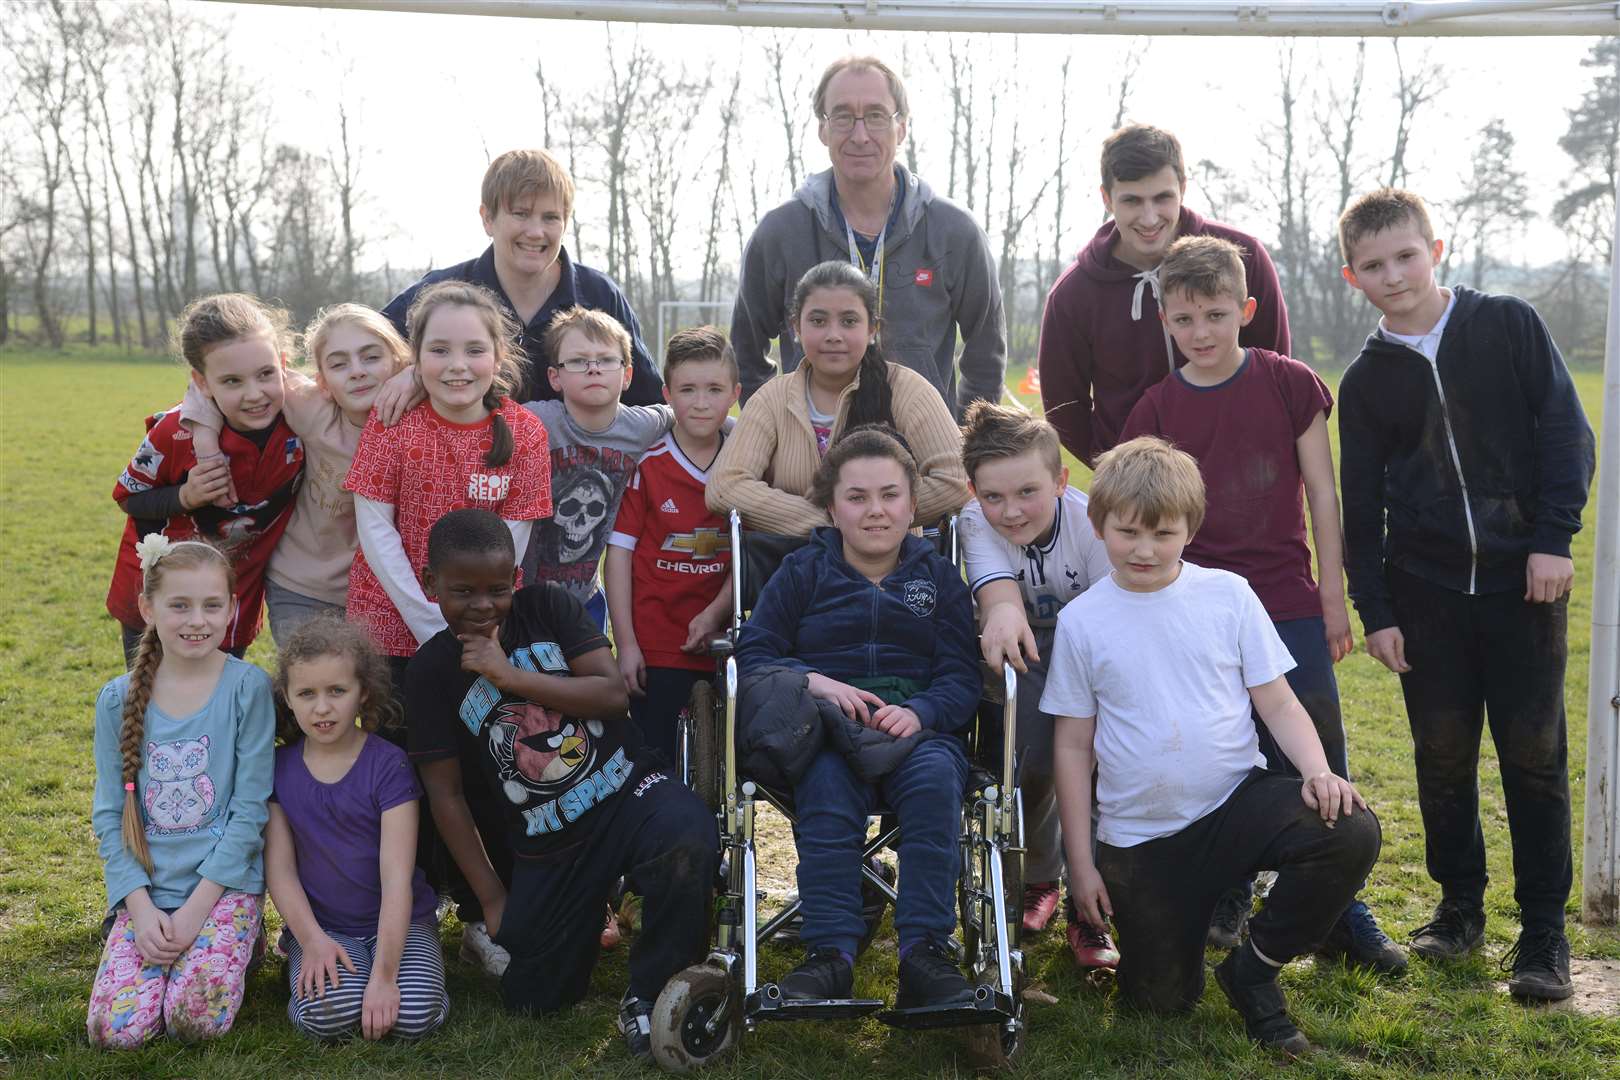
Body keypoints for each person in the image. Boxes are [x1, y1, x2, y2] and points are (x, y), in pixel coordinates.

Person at [1119, 235, 1404, 974]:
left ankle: (1342, 910)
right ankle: (1230, 885)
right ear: (1165, 322)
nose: (1202, 332)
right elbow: (1144, 517)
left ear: (1246, 309)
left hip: (1286, 599)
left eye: (1216, 313)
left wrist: (1333, 598)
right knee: (1221, 750)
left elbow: (1323, 492)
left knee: (1314, 747)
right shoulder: (1156, 406)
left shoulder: (1289, 382)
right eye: (1184, 319)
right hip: (1198, 609)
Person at [1337, 188, 1595, 1002]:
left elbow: (1565, 429)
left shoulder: (1507, 325)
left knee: (1534, 756)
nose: (1394, 274)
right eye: (1374, 266)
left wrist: (1553, 537)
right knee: (1443, 757)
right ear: (1353, 276)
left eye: (1406, 256)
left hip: (1526, 584)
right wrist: (1377, 611)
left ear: (1435, 249)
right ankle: (1458, 910)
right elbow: (1361, 505)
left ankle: (1544, 934)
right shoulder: (1367, 379)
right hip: (1428, 597)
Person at [1045, 438, 1381, 1057]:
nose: (1144, 549)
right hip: (1141, 839)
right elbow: (1072, 747)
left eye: (1162, 533)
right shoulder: (1083, 621)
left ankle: (1254, 969)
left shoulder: (1227, 595)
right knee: (1161, 1002)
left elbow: (1278, 702)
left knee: (1349, 828)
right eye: (1127, 533)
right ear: (1098, 525)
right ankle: (1177, 935)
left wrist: (1318, 770)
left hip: (1234, 804)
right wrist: (1082, 863)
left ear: (1190, 529)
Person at [406, 509, 717, 1063]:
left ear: (516, 579)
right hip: (550, 842)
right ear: (430, 583)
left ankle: (652, 993)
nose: (483, 604)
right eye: (463, 591)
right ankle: (586, 910)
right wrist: (493, 898)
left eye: (497, 589)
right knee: (533, 997)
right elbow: (446, 796)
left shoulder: (547, 606)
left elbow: (612, 694)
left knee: (686, 838)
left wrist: (511, 677)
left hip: (627, 791)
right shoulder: (430, 672)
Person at [734, 427, 981, 1010]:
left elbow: (960, 677)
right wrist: (811, 680)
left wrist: (921, 712)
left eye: (890, 495)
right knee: (823, 794)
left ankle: (924, 952)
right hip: (823, 729)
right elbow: (755, 654)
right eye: (858, 497)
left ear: (913, 505)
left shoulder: (939, 578)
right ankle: (830, 955)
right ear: (831, 508)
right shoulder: (801, 572)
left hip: (914, 731)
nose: (876, 511)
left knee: (934, 788)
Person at [731, 55, 1006, 415]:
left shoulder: (954, 232)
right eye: (843, 116)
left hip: (924, 459)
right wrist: (776, 431)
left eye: (876, 116)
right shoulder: (781, 232)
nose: (859, 135)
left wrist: (964, 441)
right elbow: (745, 350)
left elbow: (986, 352)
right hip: (811, 461)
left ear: (902, 127)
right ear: (823, 129)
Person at [87, 536, 275, 1049]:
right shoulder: (116, 701)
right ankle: (139, 942)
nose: (198, 620)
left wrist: (197, 911)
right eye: (180, 605)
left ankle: (243, 938)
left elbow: (250, 810)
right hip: (147, 892)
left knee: (195, 1022)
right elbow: (108, 816)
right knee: (115, 1033)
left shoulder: (247, 688)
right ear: (147, 608)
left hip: (220, 889)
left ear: (234, 608)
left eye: (213, 605)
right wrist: (140, 909)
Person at [957, 402, 1117, 969]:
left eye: (1028, 492)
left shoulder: (1093, 524)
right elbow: (997, 595)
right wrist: (1000, 610)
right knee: (1027, 761)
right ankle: (1039, 877)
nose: (1011, 511)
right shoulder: (973, 522)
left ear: (1061, 481)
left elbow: (1113, 620)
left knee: (1098, 767)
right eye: (993, 496)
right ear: (972, 491)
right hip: (1020, 650)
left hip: (1095, 648)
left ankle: (1089, 905)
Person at [1038, 124, 1290, 468]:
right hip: (1136, 488)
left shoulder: (1243, 257)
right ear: (1107, 198)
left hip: (1238, 467)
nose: (1149, 217)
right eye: (1131, 201)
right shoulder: (1073, 294)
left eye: (1162, 198)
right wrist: (1117, 466)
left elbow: (1271, 368)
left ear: (1182, 189)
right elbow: (1064, 408)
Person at [343, 280, 552, 689]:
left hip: (483, 628)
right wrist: (426, 618)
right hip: (389, 625)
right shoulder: (391, 422)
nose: (458, 364)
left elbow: (511, 542)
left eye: (474, 350)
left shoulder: (526, 433)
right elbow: (375, 530)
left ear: (498, 356)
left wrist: (468, 621)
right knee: (397, 747)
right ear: (415, 361)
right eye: (440, 350)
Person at [182, 304, 418, 644]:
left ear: (399, 363)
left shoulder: (426, 424)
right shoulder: (312, 408)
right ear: (322, 381)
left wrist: (418, 375)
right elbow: (211, 382)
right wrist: (206, 446)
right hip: (301, 585)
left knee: (373, 693)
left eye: (371, 357)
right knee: (311, 685)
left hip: (384, 594)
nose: (356, 371)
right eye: (338, 364)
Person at [265, 616, 449, 1041]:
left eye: (337, 691)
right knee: (330, 1015)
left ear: (362, 693)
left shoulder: (388, 765)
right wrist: (311, 941)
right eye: (306, 693)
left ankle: (409, 980)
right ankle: (301, 965)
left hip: (402, 922)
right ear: (288, 699)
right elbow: (281, 871)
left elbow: (397, 879)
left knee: (413, 1016)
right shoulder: (278, 769)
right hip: (324, 927)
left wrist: (384, 977)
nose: (322, 707)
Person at [106, 294, 304, 663]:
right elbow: (128, 497)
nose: (254, 394)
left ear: (283, 363)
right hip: (159, 594)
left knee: (219, 704)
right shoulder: (173, 432)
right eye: (232, 380)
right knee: (153, 703)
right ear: (202, 382)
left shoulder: (306, 421)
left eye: (265, 374)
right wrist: (185, 496)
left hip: (232, 598)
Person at [382, 149, 662, 406]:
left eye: (550, 217)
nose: (535, 232)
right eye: (521, 214)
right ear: (487, 218)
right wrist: (411, 369)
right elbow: (354, 359)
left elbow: (651, 402)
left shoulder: (599, 296)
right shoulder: (440, 294)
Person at [708, 260, 968, 535]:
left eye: (849, 321)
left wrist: (877, 516)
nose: (833, 335)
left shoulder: (907, 390)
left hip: (892, 568)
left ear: (872, 330)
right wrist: (830, 521)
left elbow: (957, 480)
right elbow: (725, 486)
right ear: (796, 327)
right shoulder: (772, 399)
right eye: (818, 321)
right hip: (796, 568)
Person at [605, 326, 740, 764]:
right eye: (688, 390)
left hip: (725, 641)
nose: (701, 402)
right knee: (655, 758)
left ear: (735, 393)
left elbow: (752, 554)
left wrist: (718, 612)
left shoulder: (745, 464)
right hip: (657, 641)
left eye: (715, 389)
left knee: (723, 761)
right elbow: (619, 555)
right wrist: (625, 644)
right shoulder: (650, 465)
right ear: (666, 393)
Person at [521, 306, 675, 629]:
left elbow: (696, 416)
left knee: (593, 677)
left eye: (606, 360)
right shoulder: (535, 420)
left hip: (587, 598)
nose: (594, 369)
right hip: (522, 598)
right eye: (578, 361)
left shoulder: (641, 426)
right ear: (555, 377)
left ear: (628, 374)